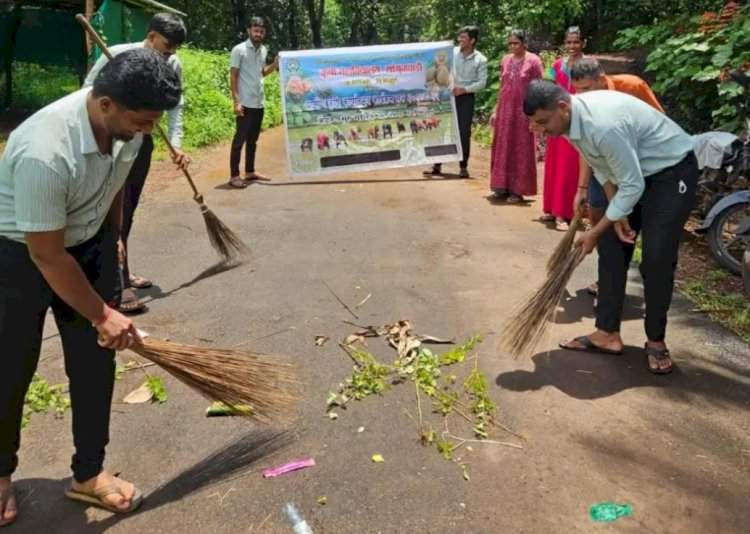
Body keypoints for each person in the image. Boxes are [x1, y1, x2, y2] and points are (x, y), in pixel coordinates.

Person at [0, 48, 182, 526]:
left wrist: (116, 237)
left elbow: (116, 183)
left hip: (90, 238)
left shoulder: (130, 131)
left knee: (95, 361)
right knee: (10, 364)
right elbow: (46, 254)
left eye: (151, 123)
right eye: (140, 122)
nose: (146, 132)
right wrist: (103, 311)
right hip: (22, 251)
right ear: (104, 103)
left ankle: (89, 473)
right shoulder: (45, 150)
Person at [524, 80, 698, 375]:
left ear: (562, 108)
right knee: (612, 249)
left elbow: (632, 184)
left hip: (670, 172)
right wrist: (616, 216)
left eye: (542, 122)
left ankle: (655, 340)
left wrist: (594, 230)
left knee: (656, 258)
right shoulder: (568, 124)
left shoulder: (602, 125)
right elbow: (603, 167)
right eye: (534, 124)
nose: (539, 130)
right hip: (634, 173)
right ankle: (606, 333)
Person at [84, 12, 190, 314]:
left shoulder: (172, 63)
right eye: (166, 45)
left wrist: (177, 145)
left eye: (174, 49)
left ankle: (122, 270)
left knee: (127, 208)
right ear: (152, 34)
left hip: (139, 143)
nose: (169, 53)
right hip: (111, 142)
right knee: (107, 208)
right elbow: (88, 92)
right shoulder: (118, 55)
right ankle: (117, 283)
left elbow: (175, 106)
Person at [569, 57, 665, 297]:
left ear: (601, 80)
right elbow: (586, 148)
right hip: (602, 164)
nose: (582, 95)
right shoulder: (579, 105)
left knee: (626, 221)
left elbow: (659, 125)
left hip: (635, 165)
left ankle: (614, 284)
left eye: (587, 88)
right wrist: (581, 188)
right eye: (577, 90)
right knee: (600, 215)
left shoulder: (632, 87)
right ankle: (608, 279)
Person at [424, 25, 487, 179]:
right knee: (441, 128)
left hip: (465, 98)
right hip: (447, 96)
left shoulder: (481, 59)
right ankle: (436, 164)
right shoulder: (451, 53)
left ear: (472, 40)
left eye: (464, 37)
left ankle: (463, 166)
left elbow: (482, 82)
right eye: (460, 37)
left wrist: (464, 89)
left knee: (463, 133)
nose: (460, 40)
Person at [489, 29, 543, 203]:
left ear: (524, 43)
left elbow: (539, 87)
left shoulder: (533, 61)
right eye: (510, 43)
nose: (513, 46)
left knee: (521, 149)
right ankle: (501, 186)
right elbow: (502, 86)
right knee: (503, 146)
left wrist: (536, 115)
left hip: (523, 112)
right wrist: (496, 110)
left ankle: (518, 190)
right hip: (505, 111)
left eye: (516, 43)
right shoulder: (505, 60)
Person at [541, 26, 586, 231]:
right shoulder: (557, 65)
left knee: (574, 166)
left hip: (580, 119)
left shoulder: (590, 65)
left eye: (575, 42)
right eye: (568, 42)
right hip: (558, 120)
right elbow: (548, 87)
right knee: (556, 164)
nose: (571, 46)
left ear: (583, 43)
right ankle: (554, 210)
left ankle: (570, 213)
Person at [228, 16, 279, 189]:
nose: (258, 33)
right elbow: (233, 76)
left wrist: (275, 64)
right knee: (239, 140)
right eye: (255, 30)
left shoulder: (263, 50)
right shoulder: (239, 50)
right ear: (249, 30)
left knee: (253, 140)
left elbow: (262, 73)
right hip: (245, 102)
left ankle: (249, 172)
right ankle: (234, 176)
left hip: (258, 102)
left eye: (261, 31)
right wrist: (236, 101)